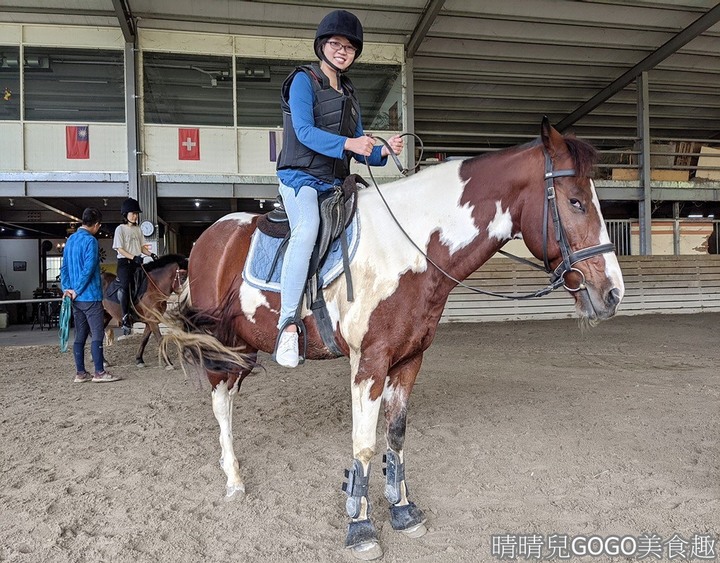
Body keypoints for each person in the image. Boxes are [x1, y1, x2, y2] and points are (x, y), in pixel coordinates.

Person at [274, 9, 404, 368]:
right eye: (336, 44)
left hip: (334, 182)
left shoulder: (348, 91)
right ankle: (287, 323)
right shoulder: (303, 80)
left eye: (349, 47)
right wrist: (350, 146)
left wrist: (383, 150)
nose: (342, 51)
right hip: (299, 178)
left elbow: (360, 142)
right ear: (322, 45)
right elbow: (304, 132)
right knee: (308, 228)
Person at [60, 207, 121, 383]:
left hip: (75, 299)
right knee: (97, 334)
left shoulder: (70, 240)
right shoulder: (91, 241)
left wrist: (68, 289)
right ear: (96, 225)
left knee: (80, 335)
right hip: (91, 296)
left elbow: (63, 268)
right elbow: (87, 270)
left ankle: (80, 373)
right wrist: (78, 289)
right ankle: (99, 373)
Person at [113, 197, 156, 336]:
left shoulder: (138, 230)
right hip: (125, 264)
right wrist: (133, 257)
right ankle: (125, 316)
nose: (135, 216)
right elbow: (120, 249)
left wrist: (151, 254)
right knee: (126, 286)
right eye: (133, 213)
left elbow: (142, 247)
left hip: (137, 263)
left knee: (146, 285)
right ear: (125, 215)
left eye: (136, 214)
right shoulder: (120, 229)